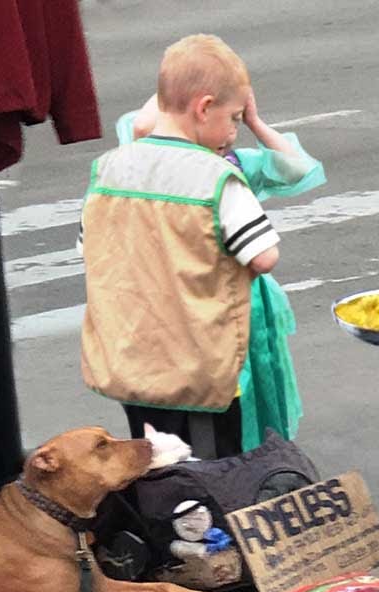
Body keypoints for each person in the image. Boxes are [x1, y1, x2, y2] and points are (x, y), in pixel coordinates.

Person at [79, 34, 284, 460]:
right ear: (203, 107)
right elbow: (264, 255)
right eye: (232, 117)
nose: (233, 130)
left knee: (150, 455)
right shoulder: (215, 176)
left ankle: (157, 521)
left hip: (130, 357)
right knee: (205, 473)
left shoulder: (109, 168)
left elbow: (89, 246)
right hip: (197, 366)